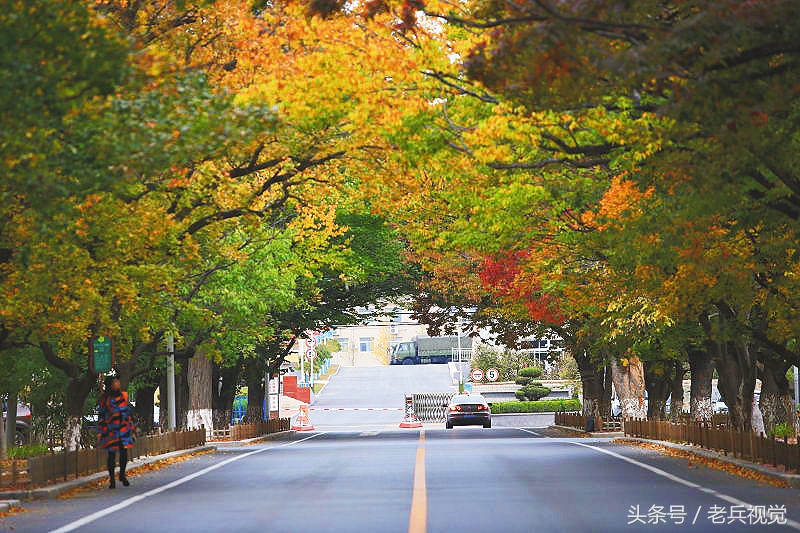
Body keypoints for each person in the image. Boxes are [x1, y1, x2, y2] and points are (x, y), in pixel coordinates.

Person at [98, 375, 135, 489]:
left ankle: (122, 475)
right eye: (115, 382)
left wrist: (131, 428)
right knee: (111, 455)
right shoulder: (105, 398)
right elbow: (102, 414)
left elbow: (128, 411)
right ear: (110, 385)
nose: (118, 384)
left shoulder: (124, 396)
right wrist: (101, 430)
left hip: (123, 429)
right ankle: (112, 479)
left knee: (124, 453)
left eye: (118, 382)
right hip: (111, 430)